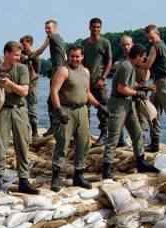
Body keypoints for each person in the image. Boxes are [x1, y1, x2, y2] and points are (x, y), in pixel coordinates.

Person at [50, 45, 109, 192]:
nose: (74, 59)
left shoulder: (86, 72)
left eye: (77, 56)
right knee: (62, 144)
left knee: (83, 143)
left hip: (82, 110)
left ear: (82, 57)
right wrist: (59, 110)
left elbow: (87, 92)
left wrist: (99, 105)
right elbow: (54, 92)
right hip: (67, 110)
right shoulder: (64, 70)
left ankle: (79, 175)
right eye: (72, 56)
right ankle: (56, 177)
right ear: (68, 57)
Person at [0, 41, 39, 196]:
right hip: (2, 111)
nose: (18, 57)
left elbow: (24, 91)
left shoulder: (22, 69)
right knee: (0, 145)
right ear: (6, 53)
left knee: (22, 145)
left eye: (19, 54)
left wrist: (9, 84)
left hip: (19, 111)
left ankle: (23, 179)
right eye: (15, 54)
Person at [102, 44, 159, 179]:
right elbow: (122, 88)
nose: (144, 60)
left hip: (127, 103)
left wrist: (142, 88)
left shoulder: (130, 66)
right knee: (114, 136)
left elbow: (130, 84)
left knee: (137, 132)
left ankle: (141, 162)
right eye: (143, 58)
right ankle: (106, 169)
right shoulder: (126, 66)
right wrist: (138, 93)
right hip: (118, 104)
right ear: (138, 56)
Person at [32, 19, 67, 136]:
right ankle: (61, 125)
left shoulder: (50, 37)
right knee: (61, 98)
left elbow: (40, 50)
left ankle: (54, 127)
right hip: (63, 68)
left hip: (58, 70)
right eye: (46, 28)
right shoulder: (61, 38)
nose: (47, 30)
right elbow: (65, 56)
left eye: (49, 28)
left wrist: (28, 58)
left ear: (55, 28)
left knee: (51, 100)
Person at [81, 18, 113, 147]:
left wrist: (103, 78)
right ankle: (84, 134)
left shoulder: (105, 42)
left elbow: (109, 61)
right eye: (94, 27)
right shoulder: (84, 43)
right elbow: (81, 62)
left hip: (100, 83)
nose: (96, 29)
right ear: (89, 27)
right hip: (86, 83)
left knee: (103, 108)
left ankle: (104, 134)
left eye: (98, 27)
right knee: (84, 109)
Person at [19, 35, 41, 139]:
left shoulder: (34, 56)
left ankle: (35, 131)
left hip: (32, 83)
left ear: (30, 43)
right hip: (21, 83)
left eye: (24, 44)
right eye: (22, 45)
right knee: (20, 107)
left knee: (32, 107)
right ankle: (24, 129)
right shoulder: (20, 55)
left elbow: (37, 70)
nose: (23, 47)